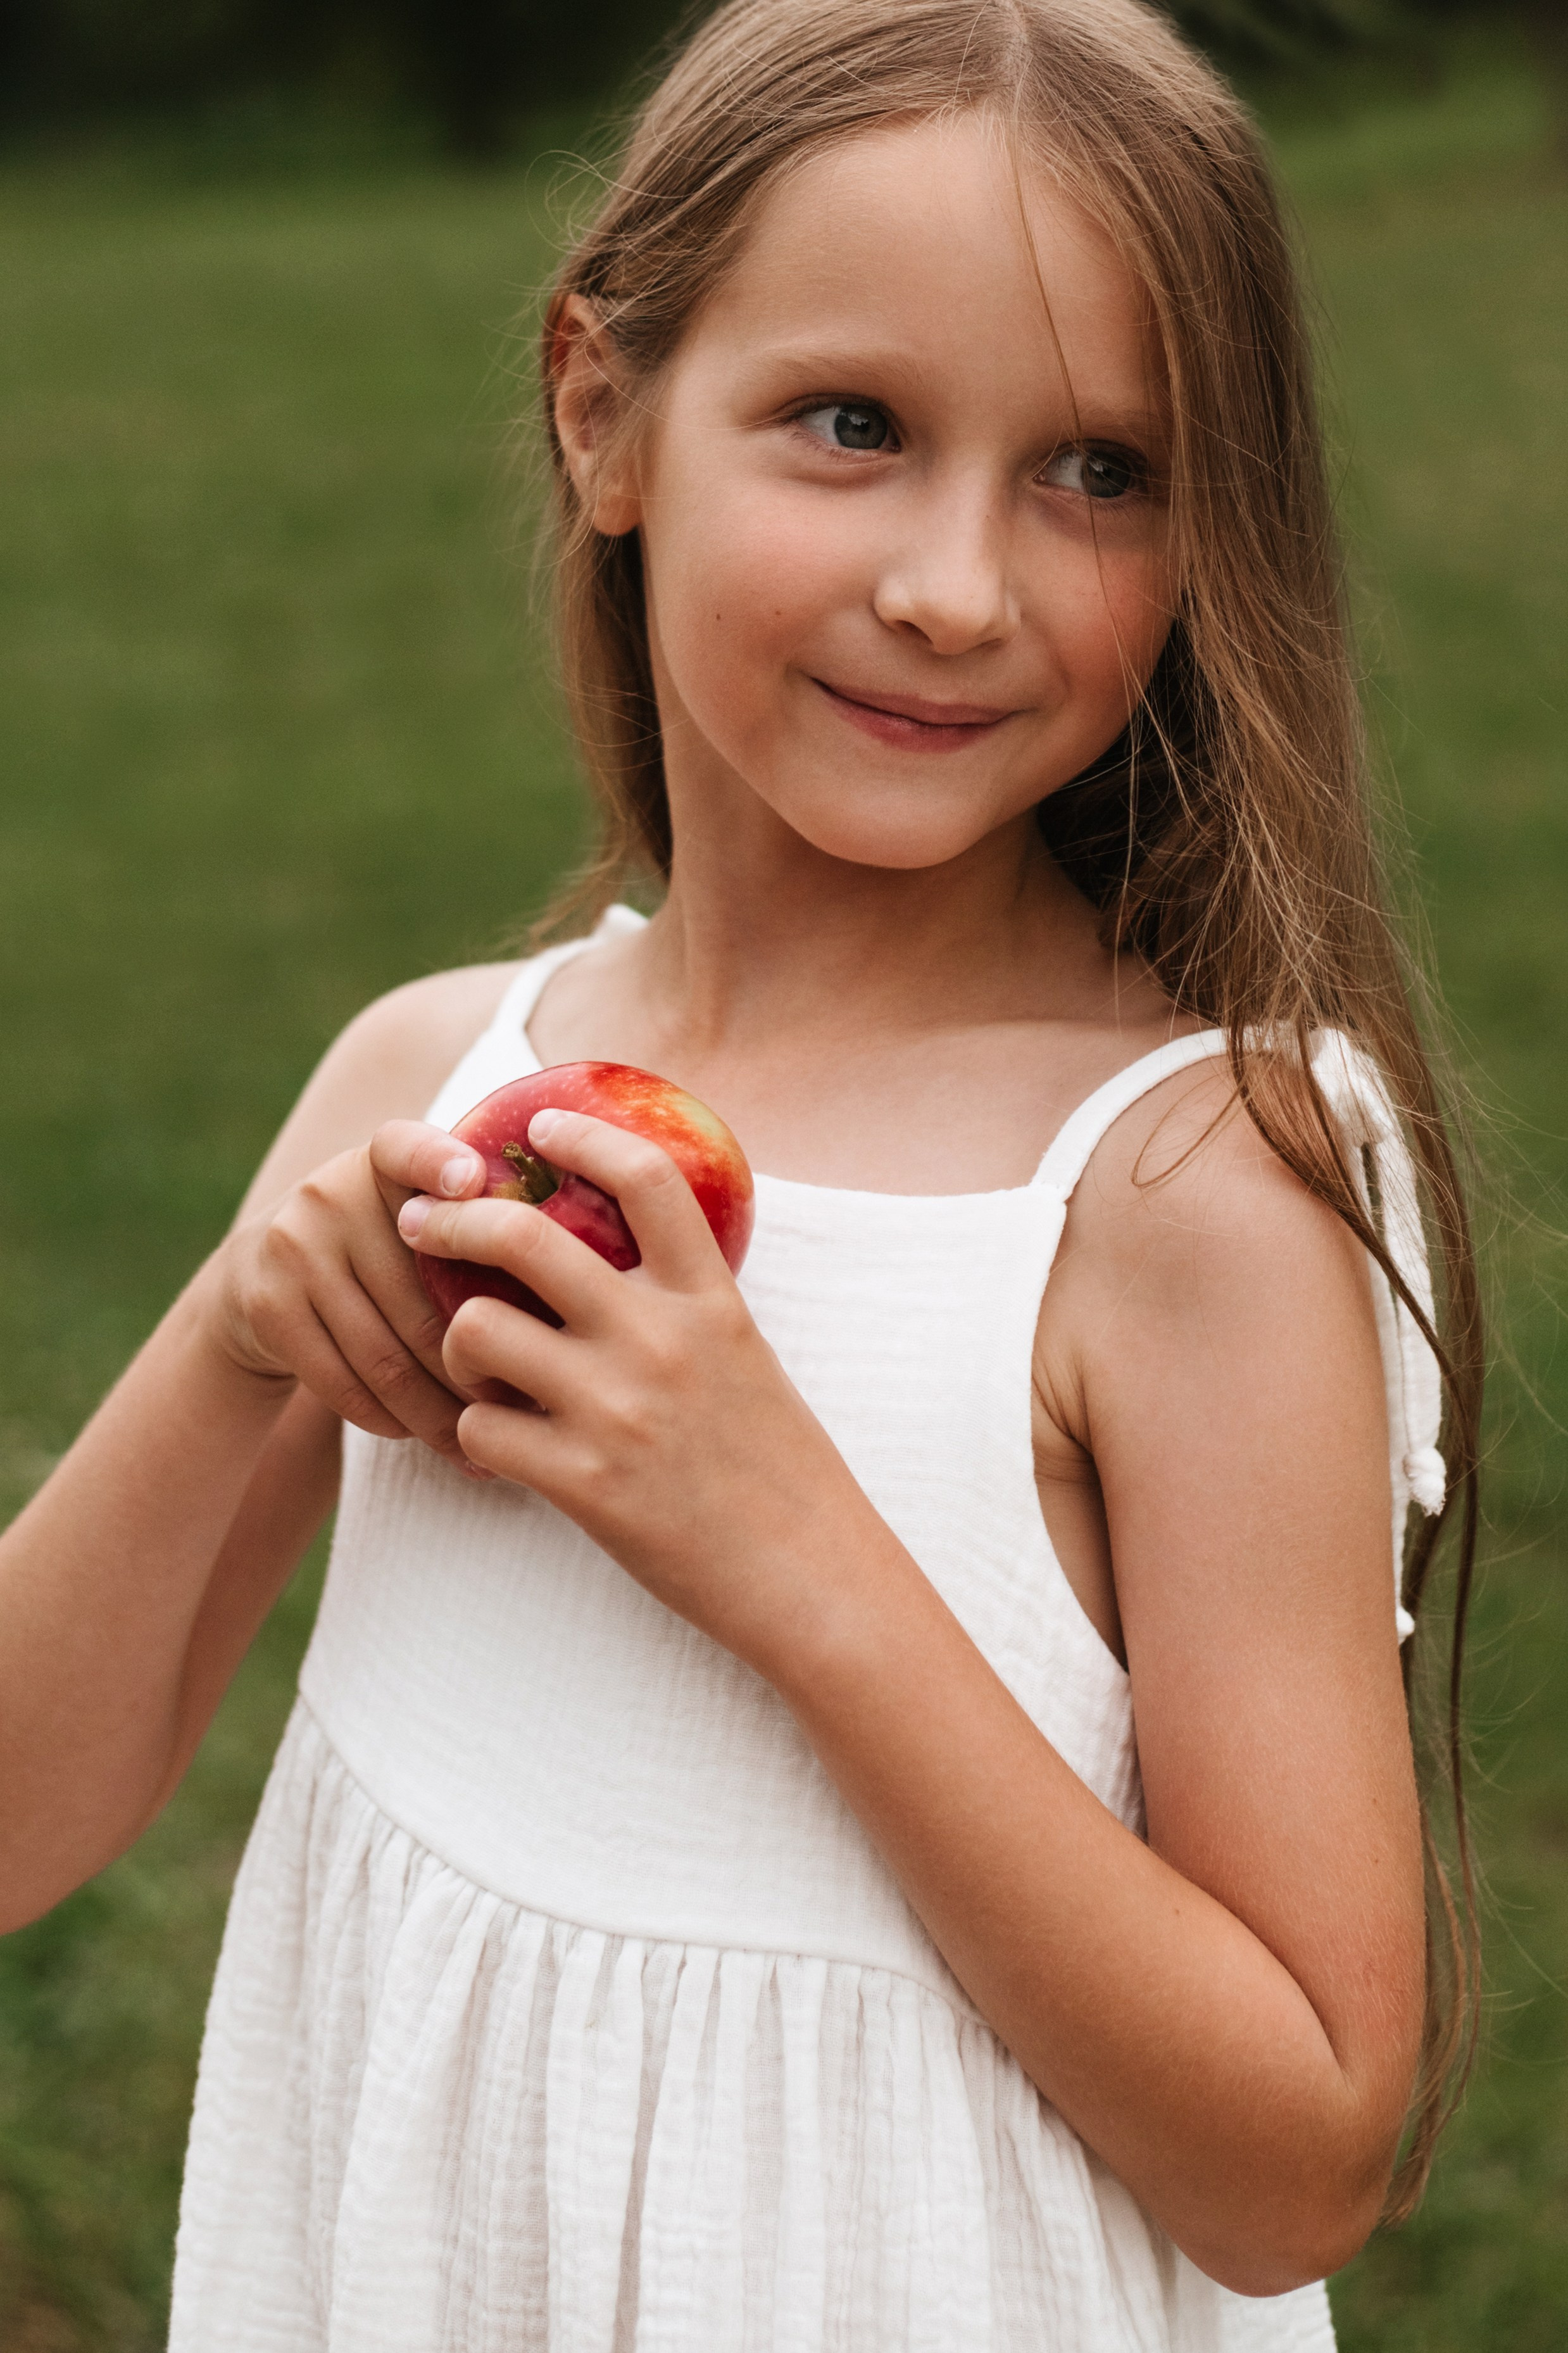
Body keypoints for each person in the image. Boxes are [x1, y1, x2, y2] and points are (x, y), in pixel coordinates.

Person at [0, 1, 1484, 2345]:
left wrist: (784, 1544)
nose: (958, 586)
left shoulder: (1182, 1194)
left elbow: (1292, 2160)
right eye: (856, 427)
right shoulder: (438, 1087)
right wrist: (232, 1342)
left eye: (1098, 469)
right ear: (608, 411)